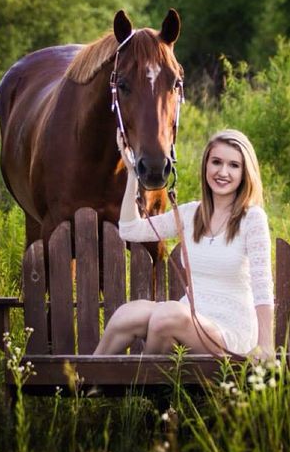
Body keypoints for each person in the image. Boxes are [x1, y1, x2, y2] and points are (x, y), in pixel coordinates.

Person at [94, 129, 274, 360]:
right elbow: (130, 229)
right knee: (127, 314)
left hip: (230, 329)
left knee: (167, 315)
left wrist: (266, 345)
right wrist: (132, 175)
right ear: (206, 166)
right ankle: (83, 386)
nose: (223, 172)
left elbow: (262, 284)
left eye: (234, 165)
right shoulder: (190, 214)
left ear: (245, 172)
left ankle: (141, 391)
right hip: (189, 316)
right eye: (216, 162)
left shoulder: (252, 218)